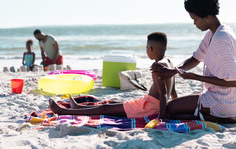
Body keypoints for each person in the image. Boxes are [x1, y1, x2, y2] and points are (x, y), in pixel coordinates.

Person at [152, 0, 236, 123]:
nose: (194, 23)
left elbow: (234, 81)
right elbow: (196, 58)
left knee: (169, 110)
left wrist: (195, 77)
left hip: (227, 100)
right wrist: (174, 71)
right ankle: (215, 117)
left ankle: (222, 118)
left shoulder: (221, 39)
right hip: (223, 96)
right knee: (175, 108)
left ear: (207, 17)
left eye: (195, 19)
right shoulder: (214, 33)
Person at [49, 32, 177, 119]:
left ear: (152, 49)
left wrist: (162, 116)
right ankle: (78, 107)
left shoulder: (158, 67)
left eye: (146, 47)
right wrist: (174, 106)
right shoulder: (169, 63)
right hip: (149, 103)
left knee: (105, 108)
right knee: (115, 104)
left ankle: (65, 111)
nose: (146, 50)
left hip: (148, 107)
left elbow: (163, 94)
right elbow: (173, 90)